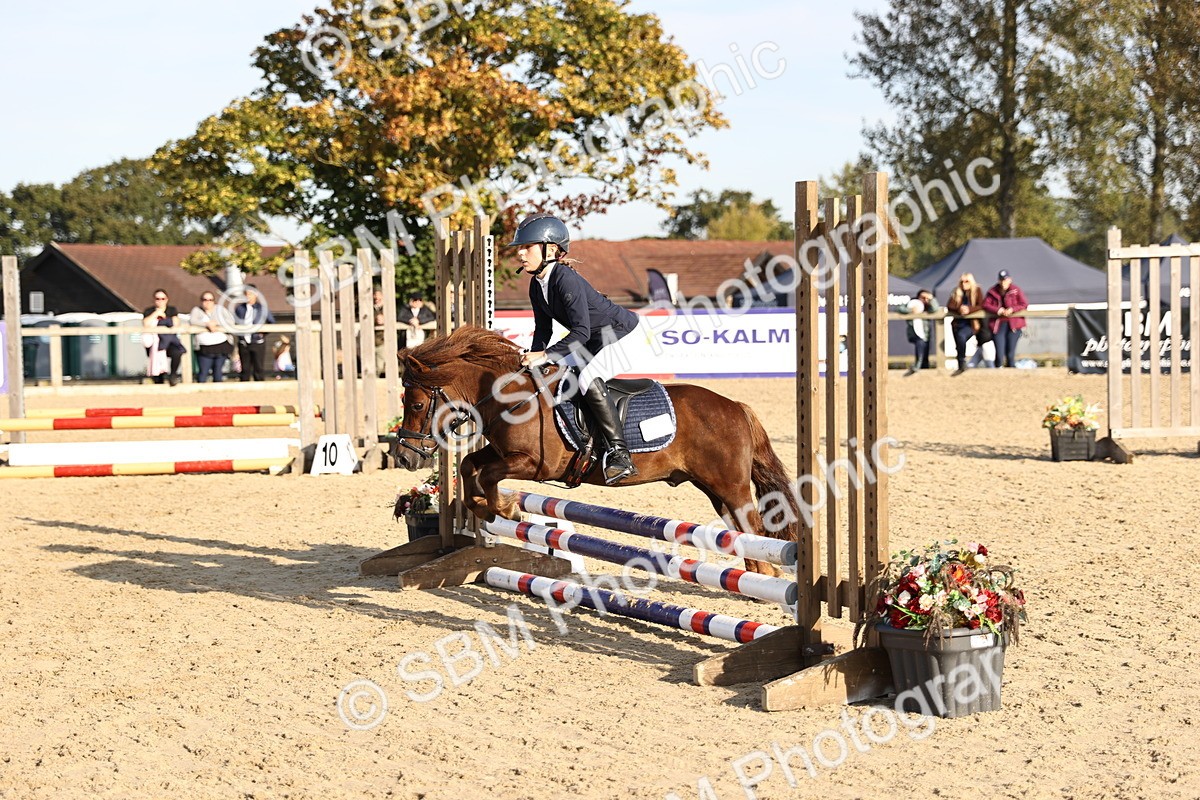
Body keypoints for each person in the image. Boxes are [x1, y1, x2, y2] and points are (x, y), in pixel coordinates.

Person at [509, 212, 640, 484]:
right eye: (519, 248)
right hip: (595, 337)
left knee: (585, 377)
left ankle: (620, 454)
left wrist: (545, 355)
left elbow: (579, 331)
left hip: (621, 333)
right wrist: (533, 358)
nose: (520, 253)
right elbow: (543, 330)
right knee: (558, 376)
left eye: (527, 247)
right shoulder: (537, 284)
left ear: (551, 249)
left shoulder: (564, 278)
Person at [983, 270, 1029, 368]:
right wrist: (998, 310)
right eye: (1001, 280)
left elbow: (1024, 304)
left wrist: (1012, 309)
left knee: (1010, 353)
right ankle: (998, 373)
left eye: (1005, 279)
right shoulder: (992, 291)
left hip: (1014, 324)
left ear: (1010, 280)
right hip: (998, 325)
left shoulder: (1016, 290)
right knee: (999, 354)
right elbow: (986, 304)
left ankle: (1011, 374)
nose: (1003, 282)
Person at [142, 289, 185, 385]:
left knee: (177, 352)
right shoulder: (149, 311)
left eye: (162, 298)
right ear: (154, 300)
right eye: (157, 299)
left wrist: (165, 318)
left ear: (167, 299)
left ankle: (173, 375)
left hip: (169, 341)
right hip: (154, 343)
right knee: (156, 360)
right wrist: (156, 313)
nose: (160, 301)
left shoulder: (172, 310)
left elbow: (176, 323)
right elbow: (145, 323)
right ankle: (158, 380)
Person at [189, 291, 234, 382]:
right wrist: (206, 324)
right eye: (205, 299)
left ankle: (218, 394)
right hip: (204, 347)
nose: (207, 302)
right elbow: (192, 321)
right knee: (203, 372)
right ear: (201, 301)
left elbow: (231, 321)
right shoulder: (197, 310)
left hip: (221, 345)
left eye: (210, 300)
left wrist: (216, 323)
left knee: (218, 372)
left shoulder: (220, 309)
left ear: (214, 301)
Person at [945, 273, 985, 375]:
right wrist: (960, 309)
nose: (964, 284)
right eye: (961, 281)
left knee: (961, 336)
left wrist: (969, 310)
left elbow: (981, 305)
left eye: (966, 281)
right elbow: (950, 306)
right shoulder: (956, 292)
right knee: (959, 342)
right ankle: (961, 365)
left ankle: (962, 361)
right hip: (957, 323)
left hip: (971, 324)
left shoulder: (977, 291)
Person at [233, 286, 275, 381]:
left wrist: (264, 332)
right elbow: (233, 322)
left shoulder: (262, 308)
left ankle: (260, 390)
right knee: (245, 369)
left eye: (250, 294)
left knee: (258, 368)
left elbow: (272, 322)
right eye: (246, 294)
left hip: (257, 342)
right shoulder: (240, 308)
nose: (248, 296)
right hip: (244, 342)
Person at [904, 288, 939, 374]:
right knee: (920, 343)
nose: (925, 300)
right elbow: (900, 309)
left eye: (927, 298)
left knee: (925, 350)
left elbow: (935, 308)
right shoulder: (912, 303)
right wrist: (911, 310)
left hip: (926, 333)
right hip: (915, 332)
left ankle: (923, 367)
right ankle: (918, 364)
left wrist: (931, 299)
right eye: (923, 297)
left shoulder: (928, 307)